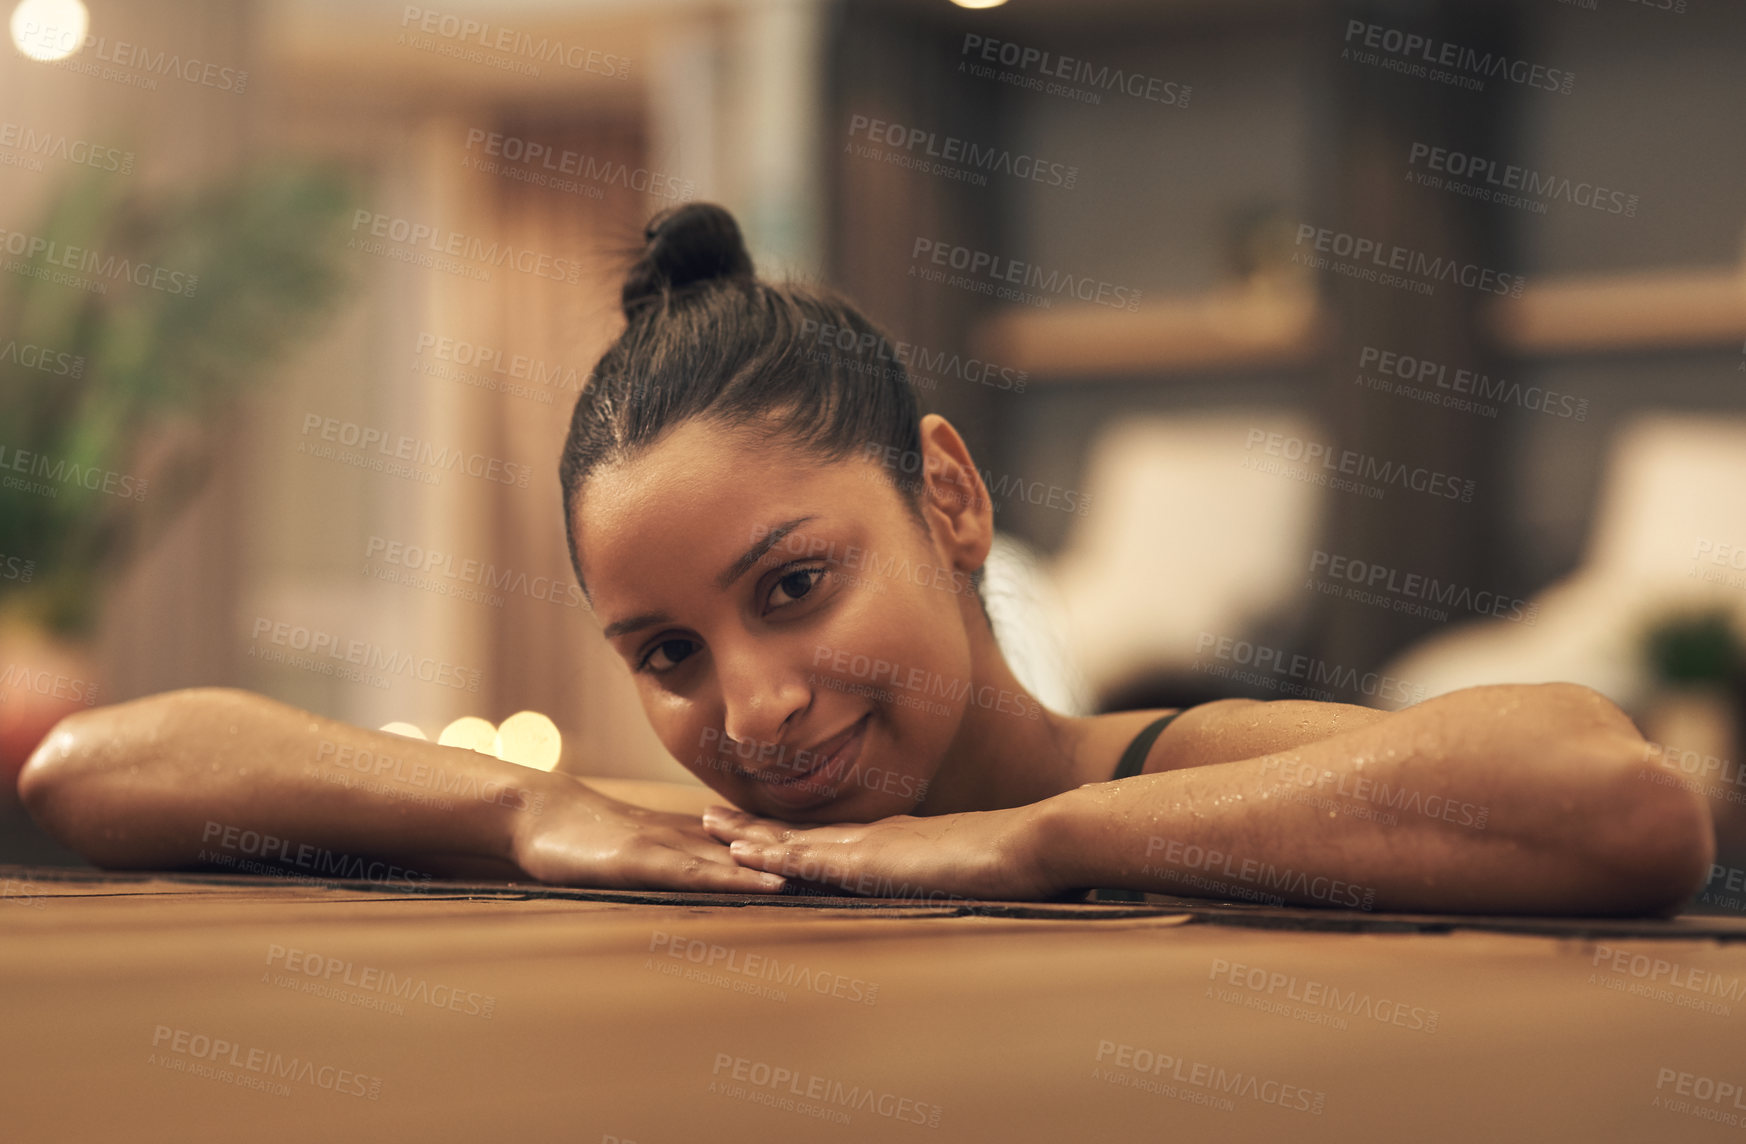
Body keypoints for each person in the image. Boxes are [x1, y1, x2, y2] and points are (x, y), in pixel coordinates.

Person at [18, 204, 1714, 916]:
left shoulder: (1144, 767)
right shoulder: (707, 839)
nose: (750, 707)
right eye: (664, 653)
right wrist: (526, 811)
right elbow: (101, 771)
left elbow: (1618, 796)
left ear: (949, 504)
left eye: (793, 586)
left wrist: (1031, 844)